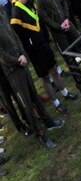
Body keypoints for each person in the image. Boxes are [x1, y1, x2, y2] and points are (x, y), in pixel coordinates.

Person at [0, 8, 64, 149]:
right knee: (27, 104)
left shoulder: (2, 13)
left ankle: (48, 122)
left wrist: (22, 53)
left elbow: (15, 36)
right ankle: (40, 134)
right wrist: (17, 60)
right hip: (12, 70)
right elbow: (2, 55)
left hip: (21, 62)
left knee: (34, 96)